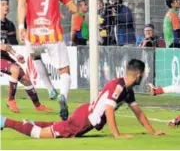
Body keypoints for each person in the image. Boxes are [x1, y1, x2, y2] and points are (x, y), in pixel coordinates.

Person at [1, 59, 167, 139]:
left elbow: (138, 112)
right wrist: (117, 134)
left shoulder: (127, 90)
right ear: (138, 75)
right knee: (39, 135)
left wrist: (153, 132)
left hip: (84, 114)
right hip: (82, 120)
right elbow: (109, 110)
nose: (143, 78)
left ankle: (29, 121)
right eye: (143, 75)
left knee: (54, 126)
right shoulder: (119, 86)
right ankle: (5, 121)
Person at [17, 0, 78, 120]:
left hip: (33, 35)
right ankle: (63, 96)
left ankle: (50, 88)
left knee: (35, 56)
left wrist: (21, 27)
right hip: (53, 35)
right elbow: (73, 9)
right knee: (64, 70)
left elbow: (21, 5)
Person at [1, 0, 52, 113]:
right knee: (15, 70)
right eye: (3, 4)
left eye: (7, 4)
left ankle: (38, 105)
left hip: (4, 56)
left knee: (26, 78)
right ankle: (10, 100)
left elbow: (7, 45)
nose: (6, 7)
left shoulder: (9, 25)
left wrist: (16, 54)